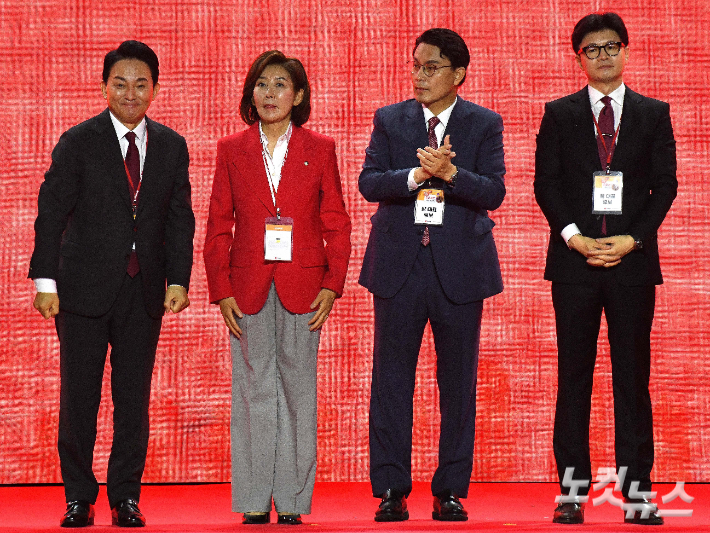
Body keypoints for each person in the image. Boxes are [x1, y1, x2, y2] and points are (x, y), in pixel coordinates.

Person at [29, 41, 195, 527]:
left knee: (133, 400)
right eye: (120, 82)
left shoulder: (171, 145)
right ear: (105, 87)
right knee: (78, 398)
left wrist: (179, 279)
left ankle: (125, 496)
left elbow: (178, 219)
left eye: (141, 83)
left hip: (143, 292)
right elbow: (50, 215)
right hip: (80, 291)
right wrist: (45, 281)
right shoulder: (77, 141)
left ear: (155, 90)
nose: (130, 92)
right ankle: (78, 497)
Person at [534, 12, 677, 526]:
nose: (602, 55)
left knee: (631, 380)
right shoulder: (559, 113)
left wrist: (632, 239)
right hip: (574, 267)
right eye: (591, 49)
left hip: (632, 266)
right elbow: (545, 185)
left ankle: (637, 494)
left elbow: (666, 185)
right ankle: (571, 492)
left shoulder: (653, 113)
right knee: (573, 379)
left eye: (610, 45)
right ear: (579, 58)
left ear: (626, 51)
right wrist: (574, 238)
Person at [359, 28, 505, 522]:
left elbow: (495, 191)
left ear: (458, 74)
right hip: (399, 268)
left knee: (458, 384)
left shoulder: (484, 124)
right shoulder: (390, 120)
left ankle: (450, 490)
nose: (419, 76)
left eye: (431, 67)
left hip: (460, 271)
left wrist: (451, 174)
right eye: (415, 66)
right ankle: (391, 489)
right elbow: (369, 181)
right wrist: (417, 176)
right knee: (391, 381)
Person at [203, 50, 351, 526]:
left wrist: (333, 284)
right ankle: (251, 497)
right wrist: (220, 289)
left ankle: (290, 499)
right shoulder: (231, 148)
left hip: (304, 286)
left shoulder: (321, 148)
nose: (269, 94)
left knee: (297, 390)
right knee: (251, 389)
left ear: (299, 95)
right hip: (245, 285)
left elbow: (337, 223)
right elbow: (217, 224)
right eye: (261, 85)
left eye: (280, 85)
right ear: (251, 93)